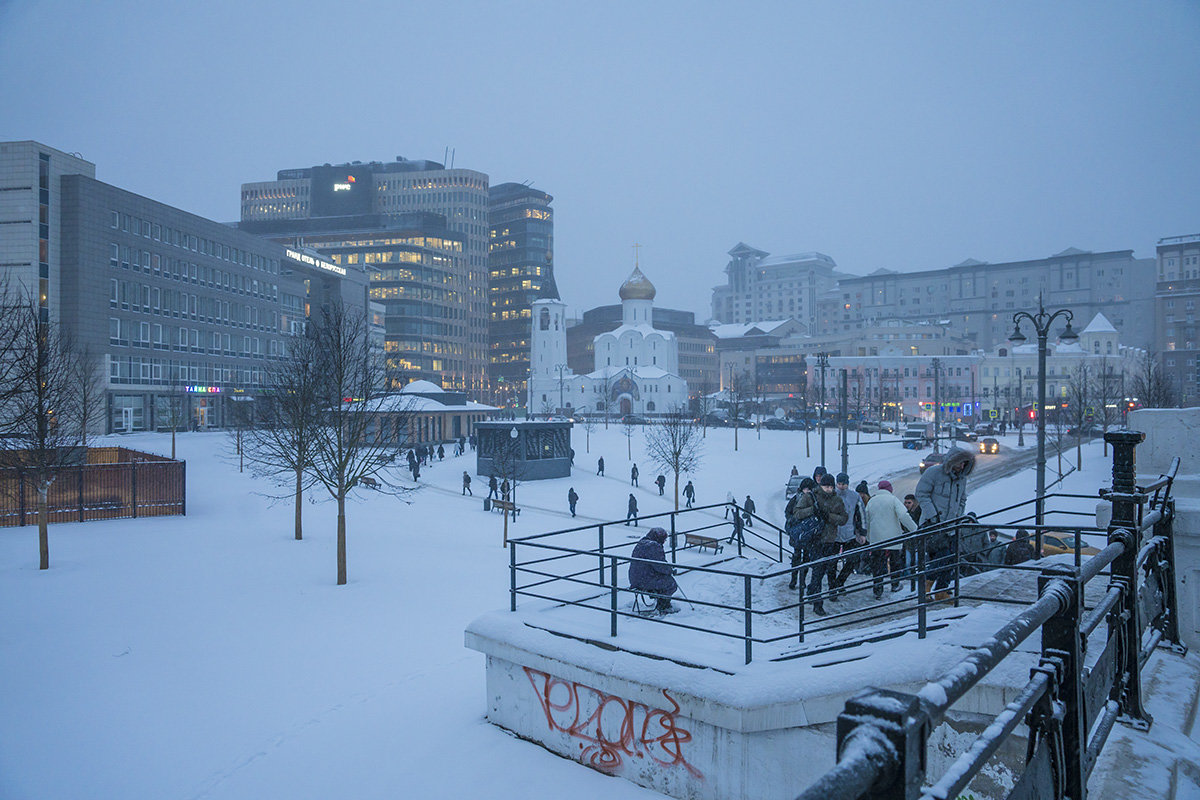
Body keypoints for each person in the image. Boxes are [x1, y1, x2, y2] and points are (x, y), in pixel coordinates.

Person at [915, 448, 977, 599]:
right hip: (934, 525)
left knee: (951, 558)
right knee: (942, 557)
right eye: (960, 463)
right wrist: (933, 515)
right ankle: (927, 585)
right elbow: (921, 494)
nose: (962, 467)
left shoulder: (962, 479)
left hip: (952, 526)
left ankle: (941, 590)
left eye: (964, 464)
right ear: (952, 461)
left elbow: (962, 499)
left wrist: (959, 516)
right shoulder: (934, 473)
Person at [864, 480, 917, 597]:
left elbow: (867, 520)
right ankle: (895, 584)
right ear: (890, 489)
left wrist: (869, 536)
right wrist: (915, 529)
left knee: (877, 564)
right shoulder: (893, 500)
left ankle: (877, 589)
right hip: (893, 537)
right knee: (895, 562)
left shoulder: (871, 501)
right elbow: (904, 516)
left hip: (876, 538)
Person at [805, 473, 849, 616]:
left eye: (830, 486)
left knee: (822, 569)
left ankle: (812, 590)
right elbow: (797, 513)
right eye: (825, 486)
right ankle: (818, 603)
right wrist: (814, 512)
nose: (828, 489)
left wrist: (828, 517)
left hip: (829, 539)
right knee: (818, 569)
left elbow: (843, 518)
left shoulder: (837, 500)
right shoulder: (811, 497)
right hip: (814, 539)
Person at [629, 527, 678, 615]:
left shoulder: (641, 543)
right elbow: (660, 566)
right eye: (664, 539)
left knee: (662, 580)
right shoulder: (654, 546)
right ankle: (663, 607)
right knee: (671, 584)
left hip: (635, 578)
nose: (663, 542)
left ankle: (658, 598)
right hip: (645, 580)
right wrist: (670, 570)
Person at [832, 473, 866, 593]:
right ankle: (832, 588)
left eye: (844, 484)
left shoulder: (854, 496)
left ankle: (840, 582)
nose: (841, 486)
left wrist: (862, 532)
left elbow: (861, 515)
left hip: (850, 533)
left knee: (853, 560)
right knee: (832, 562)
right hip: (833, 535)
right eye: (839, 484)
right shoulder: (831, 495)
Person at [786, 478, 819, 590]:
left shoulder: (813, 499)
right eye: (806, 489)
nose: (808, 491)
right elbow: (788, 513)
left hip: (807, 533)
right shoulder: (796, 499)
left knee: (805, 557)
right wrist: (794, 522)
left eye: (810, 489)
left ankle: (802, 580)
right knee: (796, 556)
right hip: (797, 532)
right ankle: (794, 579)